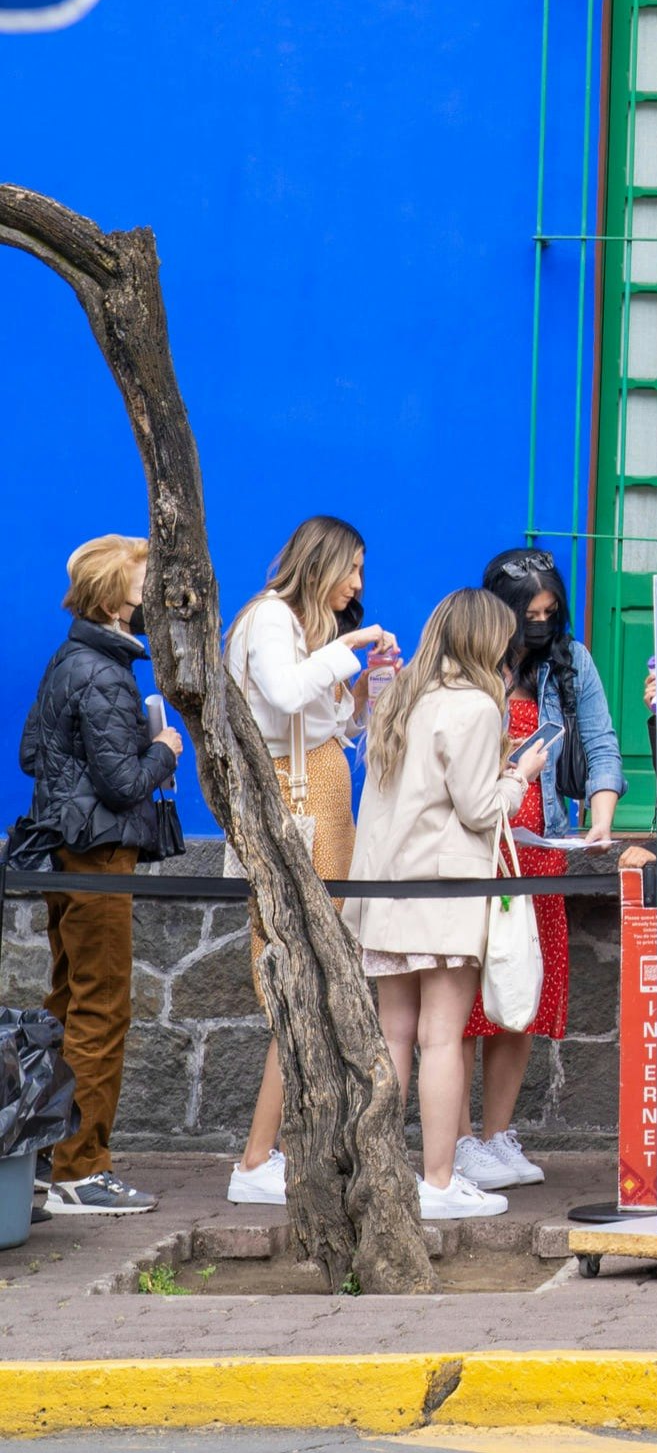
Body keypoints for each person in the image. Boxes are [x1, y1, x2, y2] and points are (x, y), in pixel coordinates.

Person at [351, 585, 555, 1221]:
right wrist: (520, 776)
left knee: (393, 1036)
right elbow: (478, 809)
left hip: (384, 889)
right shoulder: (475, 706)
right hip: (444, 892)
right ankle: (437, 1181)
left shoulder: (402, 695)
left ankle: (381, 1178)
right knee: (442, 1039)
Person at [223, 514, 400, 1207]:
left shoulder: (303, 630)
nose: (356, 584)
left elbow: (325, 722)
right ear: (320, 562)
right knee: (300, 975)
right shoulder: (269, 618)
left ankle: (287, 1150)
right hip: (298, 798)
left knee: (319, 975)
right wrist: (350, 647)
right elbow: (285, 694)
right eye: (350, 568)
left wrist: (360, 689)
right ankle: (259, 1156)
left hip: (321, 790)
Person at [16, 533, 183, 1216]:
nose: (154, 598)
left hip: (64, 849)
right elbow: (122, 784)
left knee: (67, 1001)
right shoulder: (107, 670)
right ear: (117, 596)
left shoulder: (68, 659)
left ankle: (47, 1157)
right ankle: (81, 1167)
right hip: (99, 854)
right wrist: (164, 749)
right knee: (100, 1005)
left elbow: (32, 750)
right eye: (146, 584)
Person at [456, 547, 630, 1195]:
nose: (540, 622)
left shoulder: (571, 661)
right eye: (528, 612)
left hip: (541, 849)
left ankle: (496, 1135)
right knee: (467, 1000)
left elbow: (602, 743)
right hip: (478, 849)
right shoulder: (468, 659)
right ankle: (455, 1139)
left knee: (518, 993)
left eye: (550, 611)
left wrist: (600, 819)